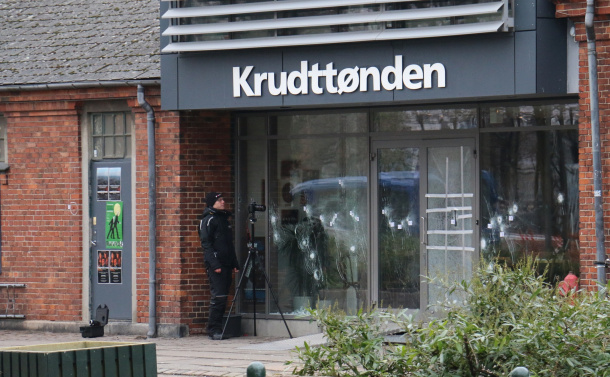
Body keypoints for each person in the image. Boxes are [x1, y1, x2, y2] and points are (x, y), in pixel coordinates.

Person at [199, 192, 239, 340]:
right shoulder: (208, 221)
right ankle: (213, 329)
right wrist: (214, 263)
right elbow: (206, 245)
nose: (223, 202)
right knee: (219, 296)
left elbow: (229, 244)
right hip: (217, 264)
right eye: (219, 200)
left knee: (224, 297)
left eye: (223, 199)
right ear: (212, 203)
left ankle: (219, 328)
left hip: (227, 263)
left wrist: (234, 262)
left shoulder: (224, 220)